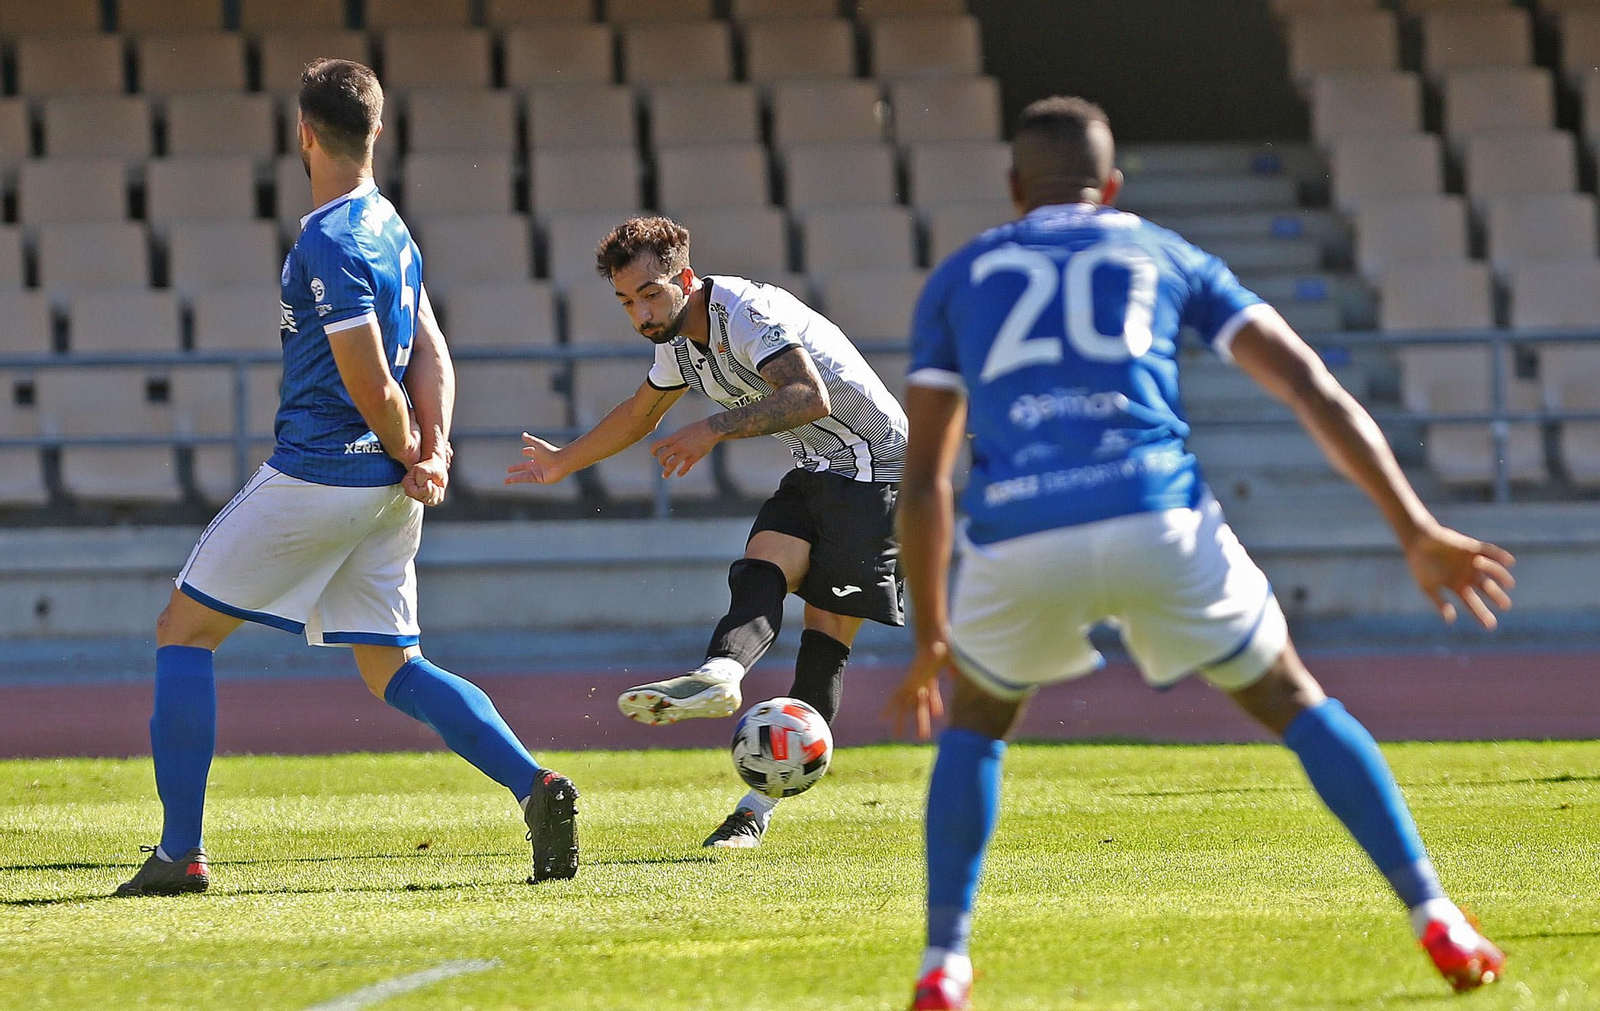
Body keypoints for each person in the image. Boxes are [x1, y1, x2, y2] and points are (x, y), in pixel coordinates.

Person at [886, 96, 1511, 1009]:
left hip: (1021, 530)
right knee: (1296, 699)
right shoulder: (1161, 250)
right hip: (1156, 515)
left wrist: (930, 636)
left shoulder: (962, 274)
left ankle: (945, 961)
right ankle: (1436, 914)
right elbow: (1307, 383)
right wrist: (1415, 527)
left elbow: (928, 480)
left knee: (978, 721)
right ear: (1113, 187)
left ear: (1016, 189)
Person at [116, 59, 577, 896]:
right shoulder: (393, 227)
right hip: (388, 493)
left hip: (321, 477)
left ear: (302, 134)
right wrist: (432, 449)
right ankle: (534, 785)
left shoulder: (329, 239)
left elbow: (370, 381)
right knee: (390, 665)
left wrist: (409, 446)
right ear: (379, 129)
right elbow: (432, 350)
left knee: (181, 631)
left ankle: (180, 850)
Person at [505, 215, 907, 848]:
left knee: (825, 640)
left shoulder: (746, 312)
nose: (639, 313)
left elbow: (808, 397)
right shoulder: (676, 342)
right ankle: (721, 673)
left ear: (684, 279)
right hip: (817, 468)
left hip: (878, 470)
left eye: (649, 294)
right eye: (625, 301)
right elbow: (639, 414)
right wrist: (562, 461)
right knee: (759, 568)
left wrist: (709, 431)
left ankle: (755, 811)